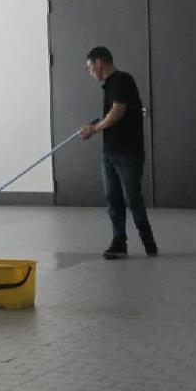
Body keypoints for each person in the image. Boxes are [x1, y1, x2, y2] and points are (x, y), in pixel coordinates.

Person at [78, 47, 158, 259]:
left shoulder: (123, 80)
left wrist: (94, 128)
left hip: (128, 152)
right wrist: (93, 127)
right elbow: (109, 116)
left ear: (99, 62)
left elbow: (117, 112)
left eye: (89, 68)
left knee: (133, 196)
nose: (89, 73)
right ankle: (119, 241)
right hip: (110, 152)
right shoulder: (108, 85)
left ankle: (148, 241)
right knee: (113, 198)